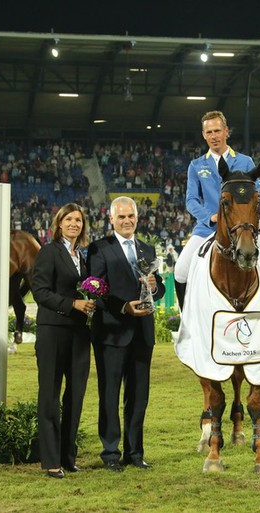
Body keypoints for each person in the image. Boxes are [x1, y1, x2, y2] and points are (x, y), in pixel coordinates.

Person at [87, 196, 165, 472]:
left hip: (143, 334)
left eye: (130, 216)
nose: (127, 221)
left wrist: (155, 287)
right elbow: (95, 289)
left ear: (137, 217)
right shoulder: (99, 248)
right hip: (112, 333)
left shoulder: (147, 249)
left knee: (138, 396)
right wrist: (123, 307)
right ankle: (110, 453)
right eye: (121, 217)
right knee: (109, 395)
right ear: (111, 220)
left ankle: (135, 453)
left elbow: (160, 291)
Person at [173, 110, 260, 307]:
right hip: (208, 229)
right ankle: (185, 320)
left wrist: (255, 218)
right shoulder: (196, 166)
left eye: (217, 131)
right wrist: (210, 217)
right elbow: (191, 200)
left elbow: (259, 197)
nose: (214, 136)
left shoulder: (246, 161)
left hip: (242, 229)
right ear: (204, 135)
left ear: (226, 131)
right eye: (209, 132)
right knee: (180, 271)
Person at [31, 203, 95, 479]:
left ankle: (68, 457)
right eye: (69, 219)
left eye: (78, 220)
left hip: (80, 333)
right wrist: (73, 304)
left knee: (75, 395)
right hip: (53, 331)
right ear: (59, 224)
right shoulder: (48, 251)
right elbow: (40, 291)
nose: (74, 224)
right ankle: (50, 460)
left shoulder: (82, 255)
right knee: (50, 395)